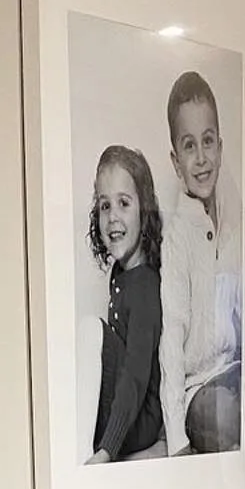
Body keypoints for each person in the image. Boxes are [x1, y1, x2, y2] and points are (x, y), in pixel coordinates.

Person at [159, 70, 243, 455]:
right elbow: (172, 341)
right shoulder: (177, 239)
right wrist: (176, 437)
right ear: (176, 162)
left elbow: (244, 308)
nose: (202, 158)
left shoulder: (231, 224)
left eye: (208, 142)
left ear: (221, 148)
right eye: (189, 146)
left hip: (232, 371)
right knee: (227, 416)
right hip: (199, 391)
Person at [77, 145, 164, 464]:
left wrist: (106, 451)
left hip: (139, 420)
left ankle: (84, 457)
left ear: (145, 210)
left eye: (124, 203)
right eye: (104, 206)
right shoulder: (121, 274)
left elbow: (134, 376)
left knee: (90, 330)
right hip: (124, 411)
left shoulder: (145, 286)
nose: (112, 216)